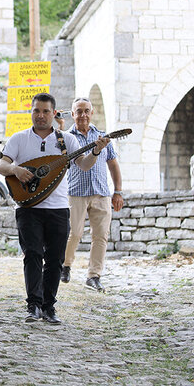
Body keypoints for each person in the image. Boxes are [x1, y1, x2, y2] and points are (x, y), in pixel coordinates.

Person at [0, 93, 110, 325]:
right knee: (33, 255)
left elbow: (85, 165)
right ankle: (33, 305)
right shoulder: (19, 139)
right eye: (37, 111)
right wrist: (16, 170)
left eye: (46, 111)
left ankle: (49, 307)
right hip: (29, 207)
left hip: (58, 207)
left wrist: (96, 152)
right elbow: (1, 164)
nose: (41, 115)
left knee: (56, 259)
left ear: (53, 113)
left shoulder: (66, 141)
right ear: (32, 112)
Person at [57, 97, 124, 292]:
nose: (83, 115)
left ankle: (94, 276)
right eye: (79, 111)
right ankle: (66, 265)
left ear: (91, 113)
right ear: (73, 114)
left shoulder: (103, 137)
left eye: (86, 111)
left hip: (101, 193)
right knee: (74, 233)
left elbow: (113, 164)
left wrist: (118, 191)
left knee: (101, 236)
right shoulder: (67, 138)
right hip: (76, 193)